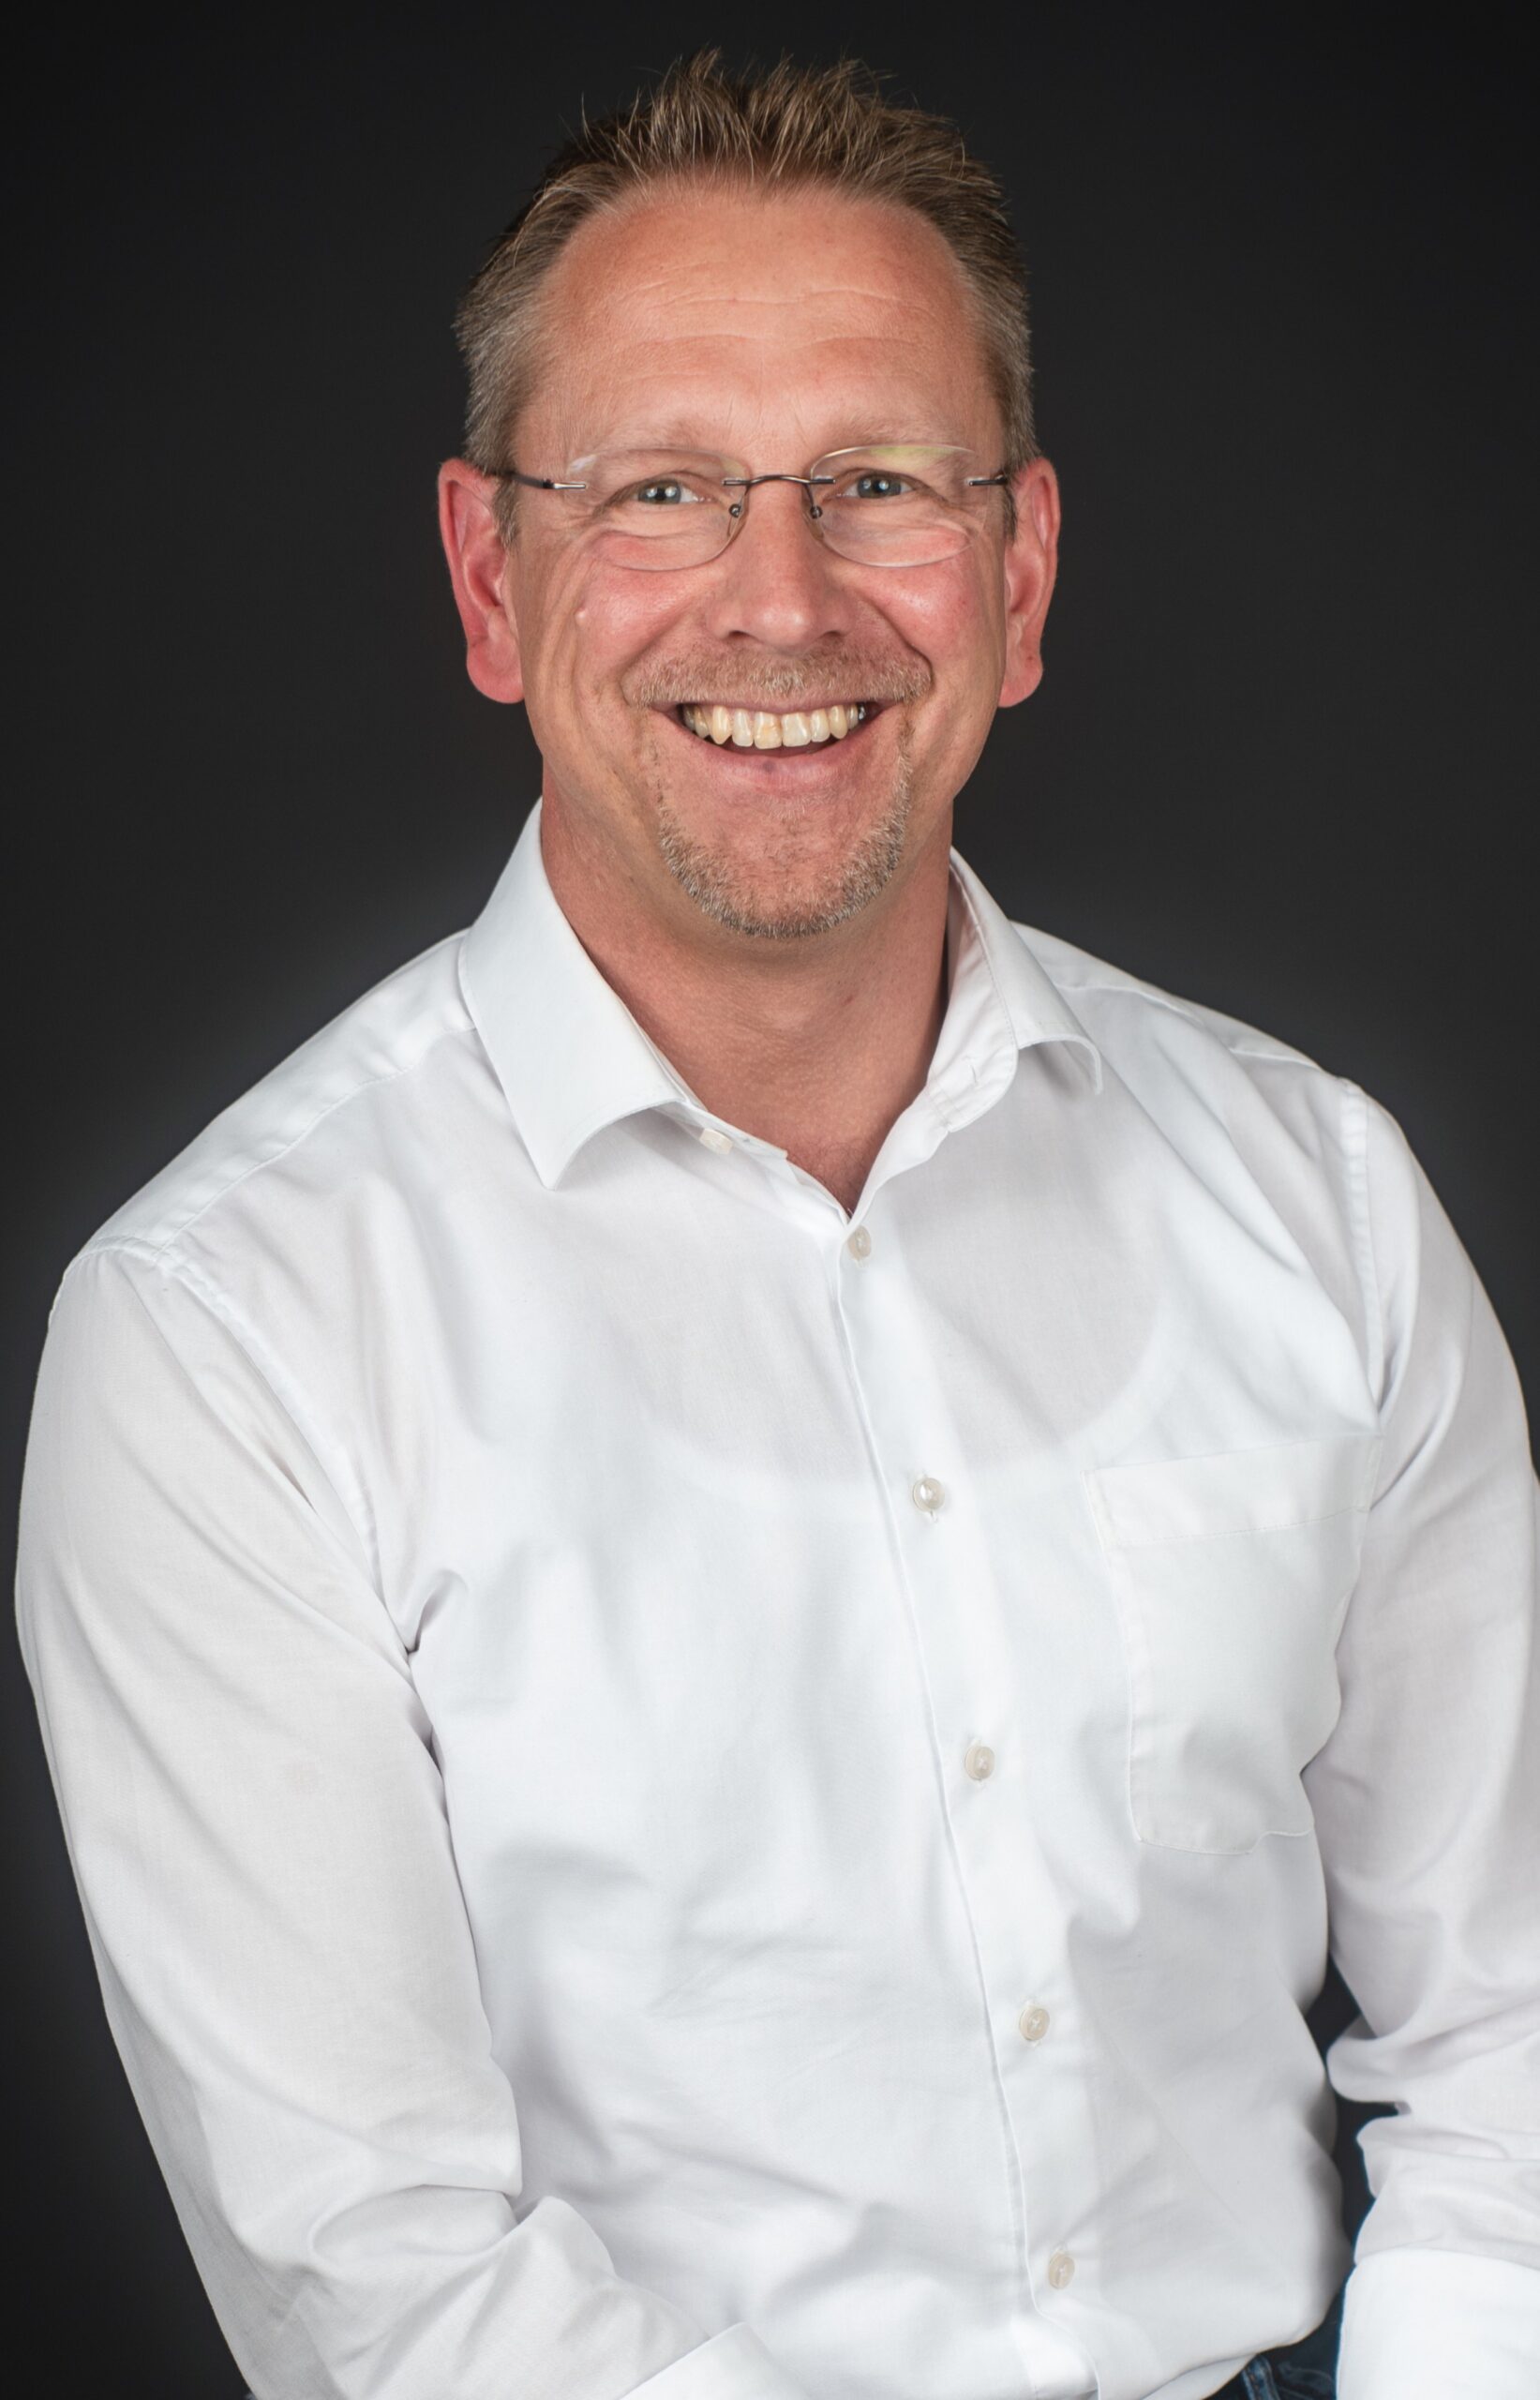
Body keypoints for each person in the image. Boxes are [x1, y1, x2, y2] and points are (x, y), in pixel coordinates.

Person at [14, 48, 1538, 2400]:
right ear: (491, 578)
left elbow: (1517, 2010)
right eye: (662, 490)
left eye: (879, 483)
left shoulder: (1315, 1192)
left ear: (1020, 573)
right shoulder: (227, 1332)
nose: (785, 597)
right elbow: (384, 2275)